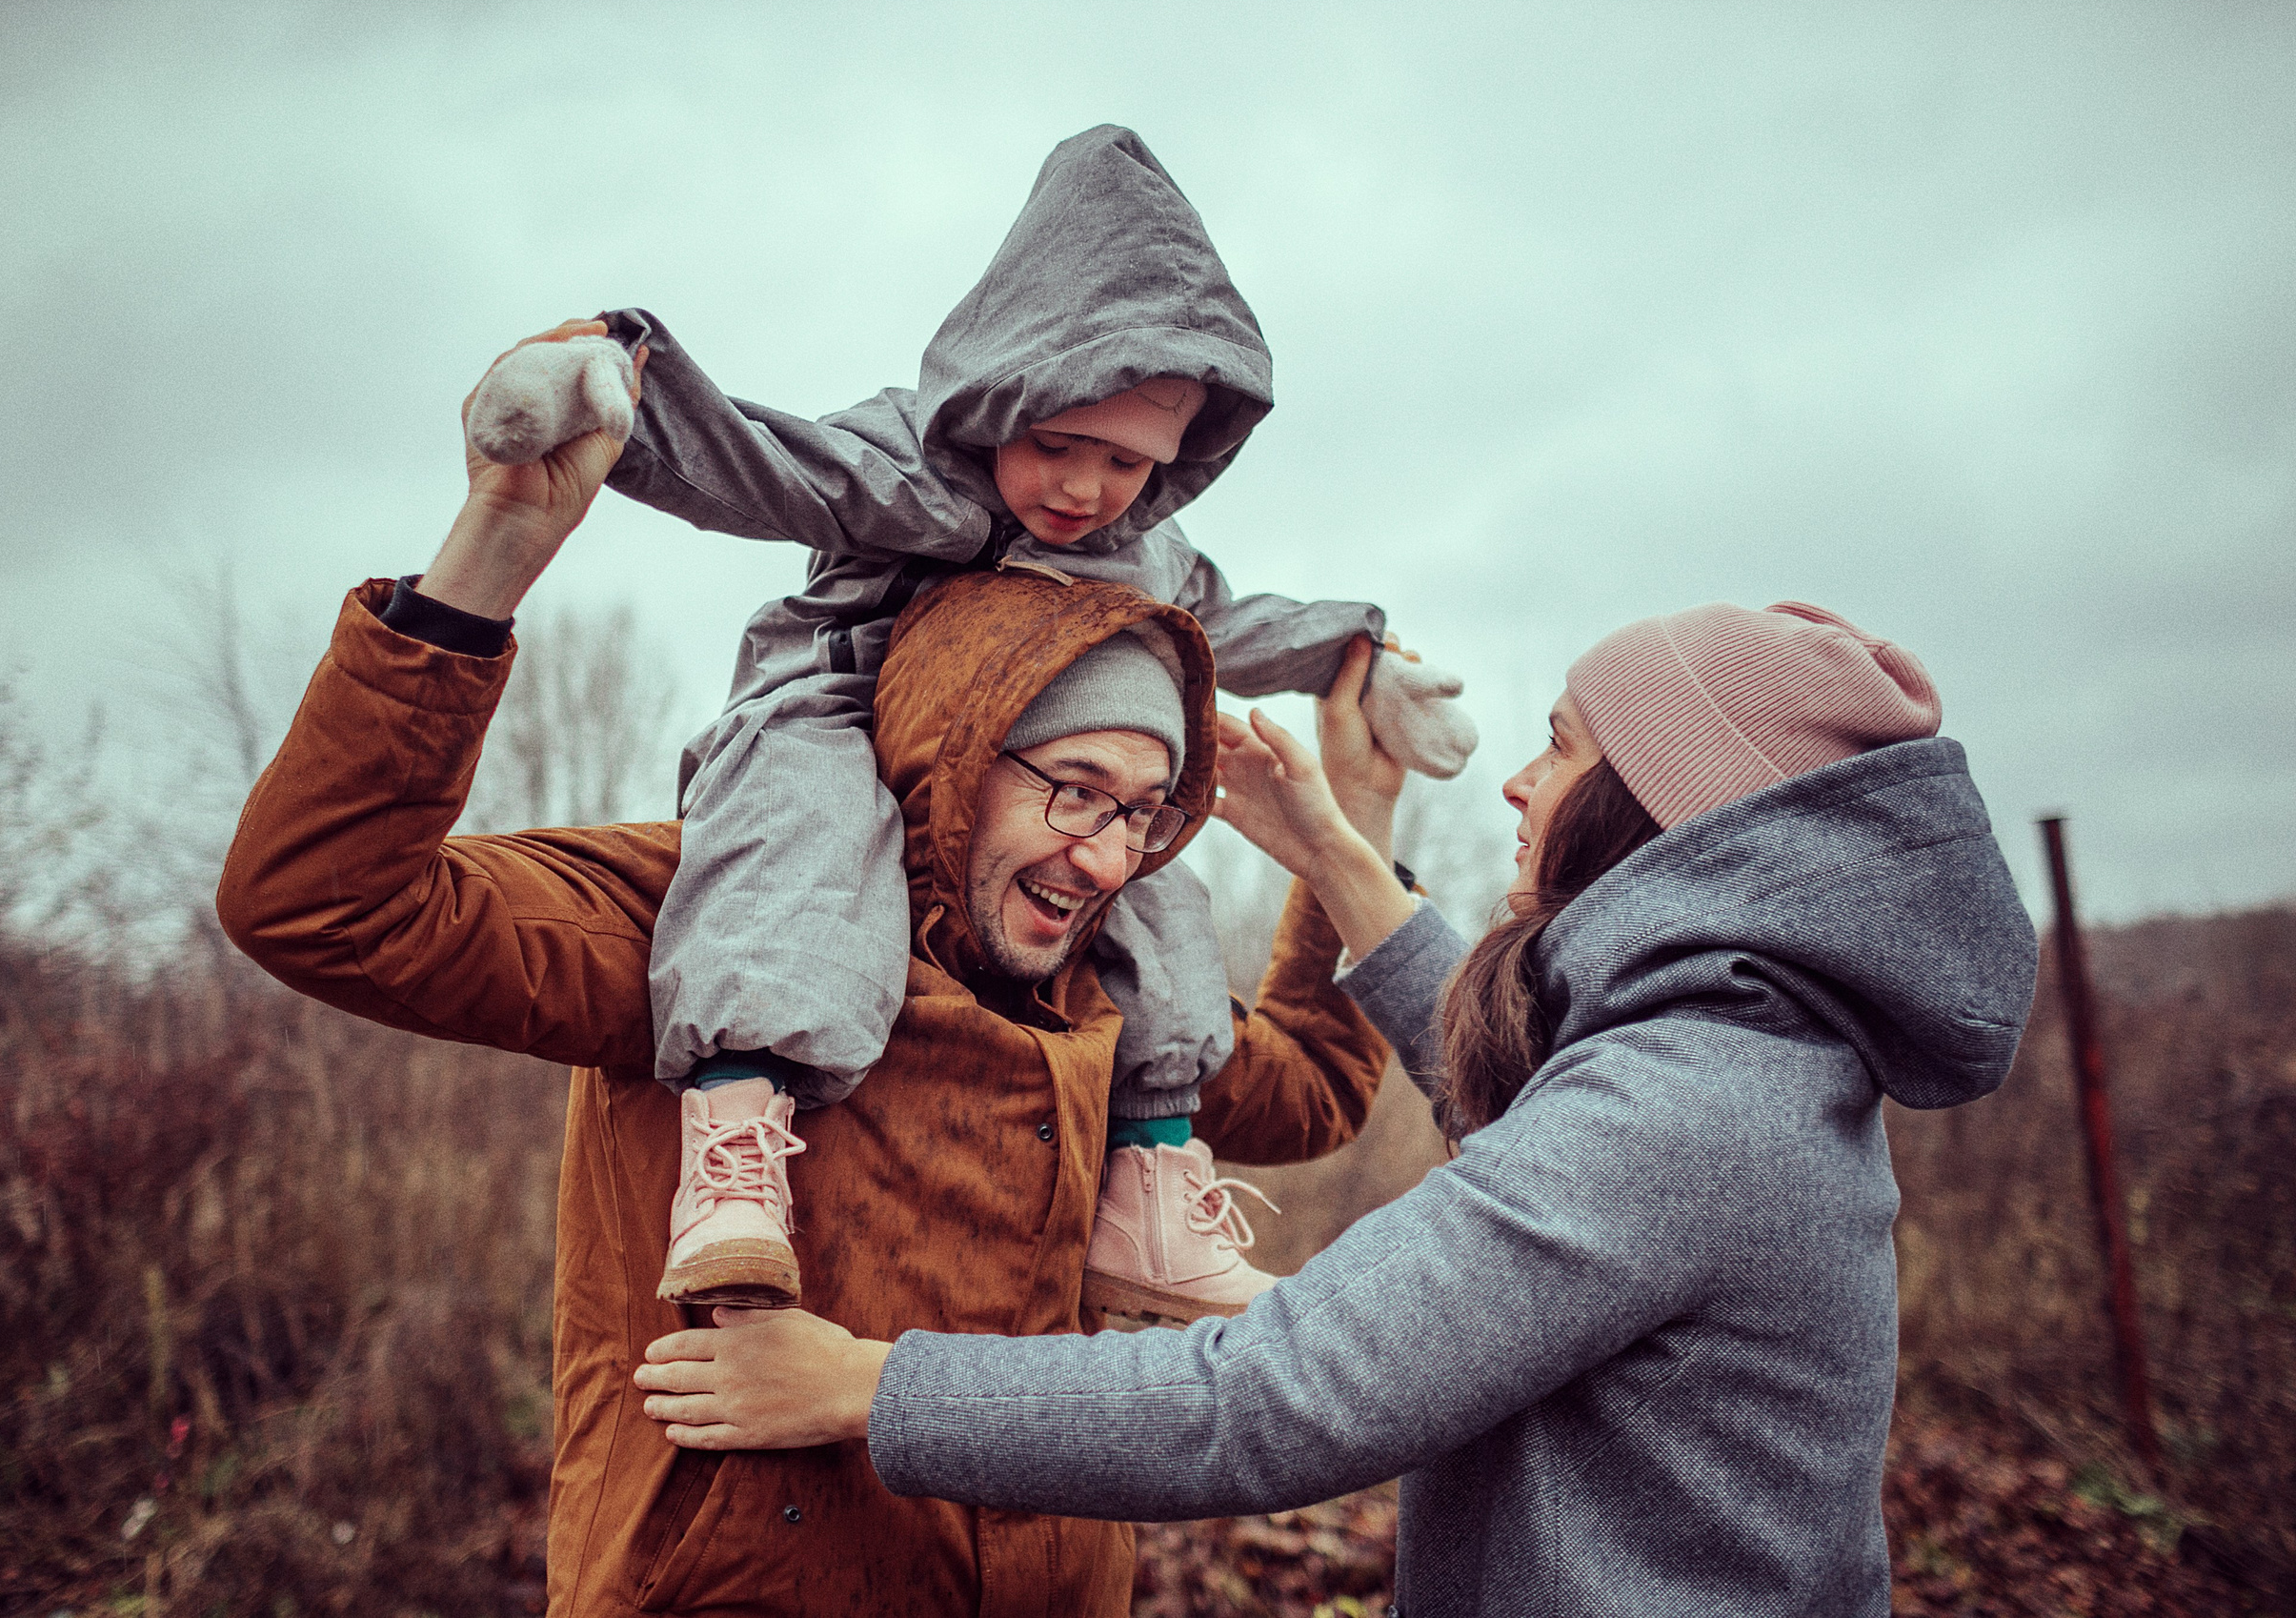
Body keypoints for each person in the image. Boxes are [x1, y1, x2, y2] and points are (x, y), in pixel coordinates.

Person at [212, 322, 1392, 1616]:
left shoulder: (1100, 983)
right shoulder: (712, 914)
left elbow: (1310, 1092)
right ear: (954, 746)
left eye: (1142, 810)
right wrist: (489, 556)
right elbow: (321, 902)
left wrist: (1359, 829)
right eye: (1071, 788)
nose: (1106, 854)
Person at [634, 600, 2044, 1617]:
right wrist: (1329, 844)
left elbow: (1272, 1397)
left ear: (1661, 811)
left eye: (1558, 749)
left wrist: (861, 1382)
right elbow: (1540, 1104)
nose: (1517, 777)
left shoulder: (1683, 1110)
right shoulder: (1742, 1052)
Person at [458, 123, 1474, 1318]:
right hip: (836, 711)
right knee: (801, 834)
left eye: (1126, 464)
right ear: (1002, 399)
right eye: (1056, 446)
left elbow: (1223, 617)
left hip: (1035, 778)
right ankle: (736, 1140)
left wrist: (1356, 646)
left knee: (1149, 872)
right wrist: (613, 394)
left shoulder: (1136, 547)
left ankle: (1148, 1188)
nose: (1084, 492)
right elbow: (766, 464)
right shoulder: (911, 471)